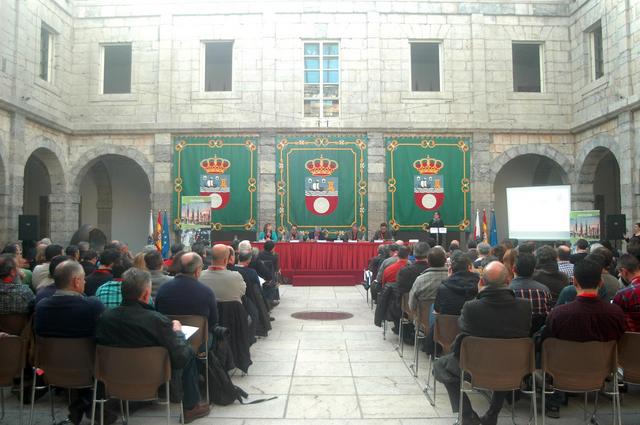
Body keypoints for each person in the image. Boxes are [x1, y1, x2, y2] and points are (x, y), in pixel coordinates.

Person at [96, 268, 210, 423]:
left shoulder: (105, 318)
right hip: (152, 378)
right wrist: (178, 332)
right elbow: (181, 357)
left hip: (113, 379)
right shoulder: (156, 321)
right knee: (188, 351)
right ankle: (191, 407)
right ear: (145, 294)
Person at [433, 261, 531, 425]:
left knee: (440, 366)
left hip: (475, 366)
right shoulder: (525, 307)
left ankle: (467, 414)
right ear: (508, 281)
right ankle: (493, 414)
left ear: (482, 282)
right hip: (513, 366)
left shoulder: (472, 307)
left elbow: (462, 329)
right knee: (505, 361)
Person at [34, 260, 111, 425]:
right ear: (76, 281)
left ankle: (83, 405)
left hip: (49, 370)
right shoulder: (92, 306)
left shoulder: (41, 306)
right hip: (88, 369)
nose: (85, 282)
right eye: (83, 279)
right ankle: (85, 403)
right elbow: (105, 336)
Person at [155, 252, 218, 330]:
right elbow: (213, 322)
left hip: (167, 335)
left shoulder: (163, 289)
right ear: (197, 271)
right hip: (199, 337)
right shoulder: (207, 293)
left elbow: (157, 314)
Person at [509, 253, 552, 333]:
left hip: (515, 334)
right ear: (534, 270)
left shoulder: (507, 291)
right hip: (538, 334)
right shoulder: (544, 290)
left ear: (513, 269)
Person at [434, 251, 479, 316]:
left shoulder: (443, 288)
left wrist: (449, 278)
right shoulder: (479, 286)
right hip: (472, 322)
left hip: (448, 322)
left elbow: (437, 310)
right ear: (469, 267)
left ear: (450, 270)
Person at [408, 247, 449, 311]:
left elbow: (411, 306)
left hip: (423, 316)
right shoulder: (452, 279)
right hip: (447, 316)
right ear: (445, 260)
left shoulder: (419, 280)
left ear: (428, 261)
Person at [613, 254, 640, 331]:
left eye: (620, 272)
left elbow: (617, 321)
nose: (619, 275)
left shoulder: (623, 295)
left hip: (633, 337)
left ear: (624, 271)